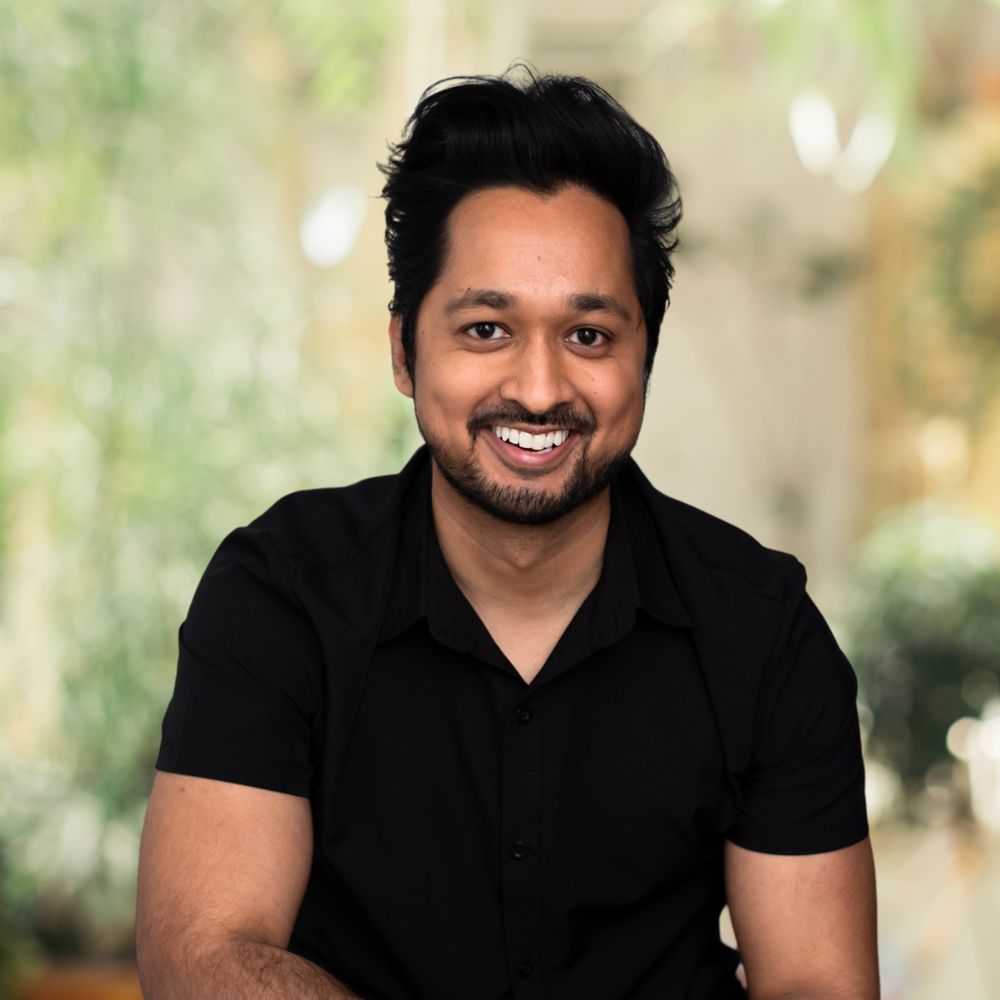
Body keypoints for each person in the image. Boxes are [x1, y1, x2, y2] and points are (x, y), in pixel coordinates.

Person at [136, 69, 879, 1000]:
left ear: (645, 351)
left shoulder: (761, 630)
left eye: (590, 337)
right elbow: (204, 958)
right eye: (486, 329)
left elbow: (818, 984)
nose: (538, 389)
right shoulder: (283, 592)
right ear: (405, 350)